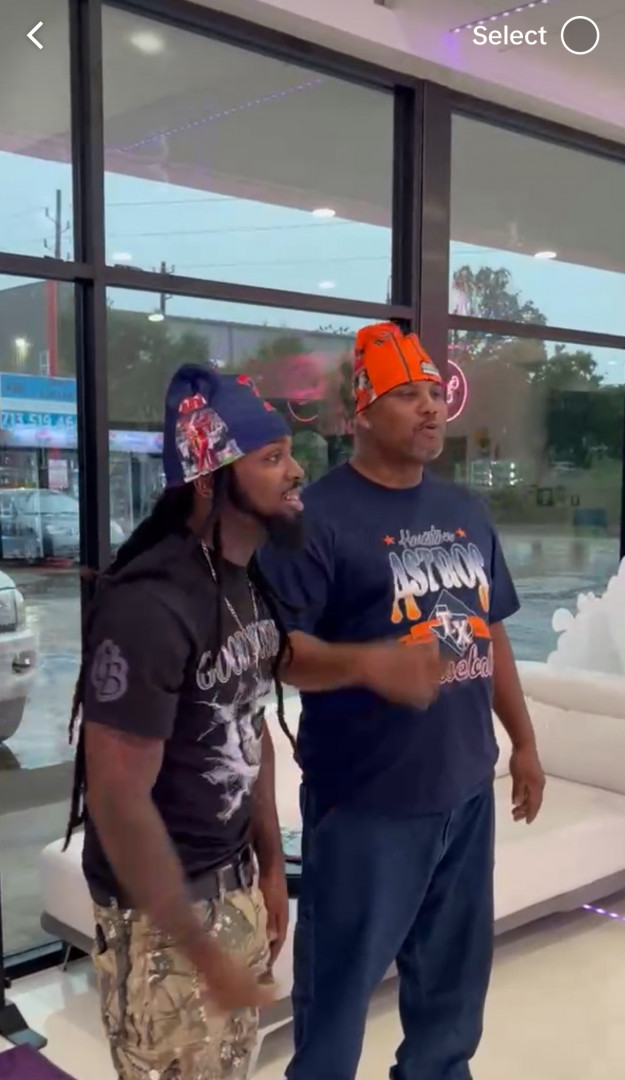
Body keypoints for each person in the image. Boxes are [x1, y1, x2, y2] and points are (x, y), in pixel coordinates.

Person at [65, 362, 442, 1080]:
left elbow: (250, 717)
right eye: (271, 459)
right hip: (162, 919)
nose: (296, 472)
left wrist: (269, 866)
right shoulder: (149, 607)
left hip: (229, 887)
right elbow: (117, 800)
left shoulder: (240, 579)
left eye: (288, 454)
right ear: (211, 481)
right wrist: (201, 952)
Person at [260, 322, 547, 1080]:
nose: (430, 408)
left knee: (452, 994)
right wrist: (370, 665)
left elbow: (489, 630)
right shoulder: (312, 518)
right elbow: (277, 652)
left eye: (434, 393)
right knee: (337, 996)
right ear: (359, 413)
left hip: (466, 789)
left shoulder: (466, 510)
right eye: (406, 395)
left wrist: (522, 741)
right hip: (366, 802)